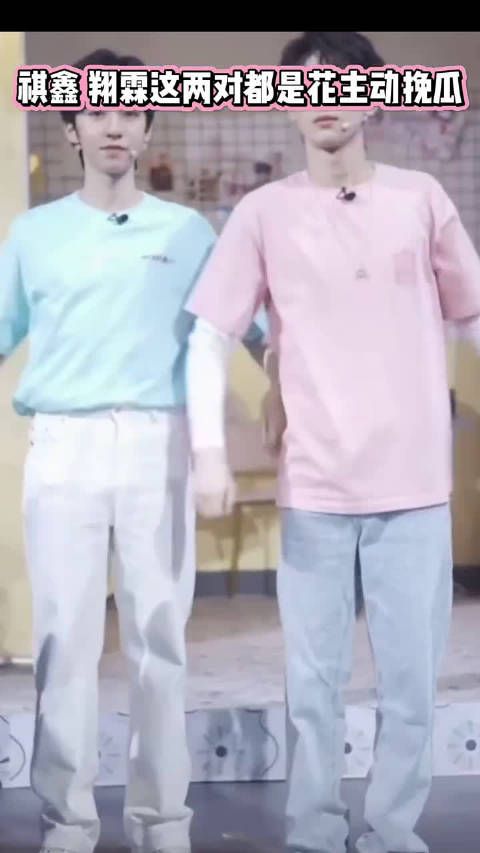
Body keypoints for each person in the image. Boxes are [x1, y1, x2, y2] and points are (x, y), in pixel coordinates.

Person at [184, 31, 480, 853]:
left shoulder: (421, 198)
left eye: (344, 83)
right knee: (312, 684)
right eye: (307, 86)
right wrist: (208, 451)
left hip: (414, 482)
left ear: (374, 97)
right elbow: (209, 334)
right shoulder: (263, 212)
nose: (325, 99)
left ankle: (391, 831)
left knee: (411, 683)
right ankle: (314, 830)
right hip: (314, 483)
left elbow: (472, 313)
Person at [1, 47, 272, 853]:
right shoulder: (33, 234)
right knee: (63, 642)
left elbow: (254, 330)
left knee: (160, 641)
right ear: (72, 128)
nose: (114, 125)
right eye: (98, 111)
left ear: (148, 126)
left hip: (159, 443)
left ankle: (162, 825)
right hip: (64, 447)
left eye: (130, 111)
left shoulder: (188, 231)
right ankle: (68, 825)